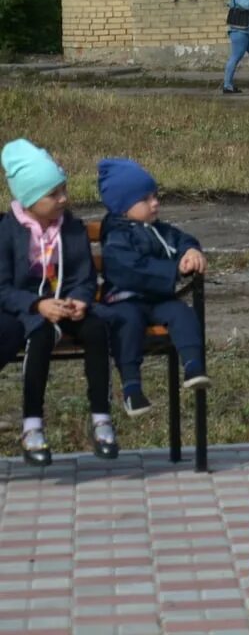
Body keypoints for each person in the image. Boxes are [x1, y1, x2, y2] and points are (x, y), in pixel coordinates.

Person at [1, 139, 119, 465]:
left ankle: (102, 419)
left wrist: (80, 300)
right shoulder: (8, 232)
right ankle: (32, 427)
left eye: (63, 190)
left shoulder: (71, 229)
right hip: (30, 311)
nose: (63, 199)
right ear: (28, 198)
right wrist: (38, 305)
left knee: (96, 329)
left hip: (66, 306)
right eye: (53, 194)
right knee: (39, 335)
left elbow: (83, 276)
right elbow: (3, 287)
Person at [95, 158, 209, 417]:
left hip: (157, 299)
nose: (155, 202)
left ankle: (193, 366)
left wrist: (190, 250)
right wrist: (173, 270)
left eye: (155, 196)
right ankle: (132, 388)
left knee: (181, 313)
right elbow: (130, 269)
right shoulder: (116, 236)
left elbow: (181, 238)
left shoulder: (156, 229)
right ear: (124, 207)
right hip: (124, 300)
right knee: (127, 323)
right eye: (146, 199)